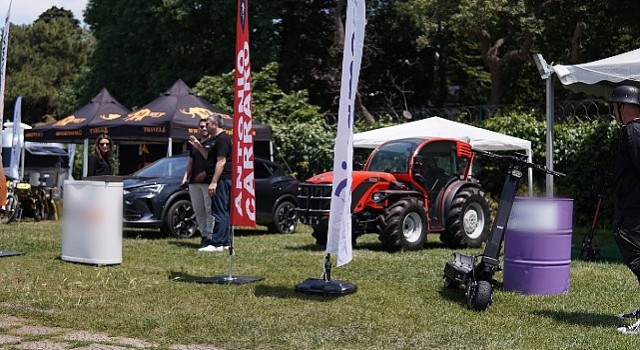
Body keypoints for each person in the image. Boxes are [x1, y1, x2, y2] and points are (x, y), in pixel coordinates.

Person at [609, 85, 640, 334]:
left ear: (623, 106)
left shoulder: (634, 130)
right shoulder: (632, 131)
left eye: (614, 106)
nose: (611, 111)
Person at [198, 114, 232, 252]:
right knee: (220, 210)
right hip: (220, 179)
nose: (206, 127)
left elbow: (221, 161)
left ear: (215, 124)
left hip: (222, 179)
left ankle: (217, 243)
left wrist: (214, 182)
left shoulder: (223, 139)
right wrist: (198, 147)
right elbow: (209, 157)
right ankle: (224, 242)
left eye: (208, 124)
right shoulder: (215, 139)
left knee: (219, 211)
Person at [181, 119, 214, 247]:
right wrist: (185, 178)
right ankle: (204, 235)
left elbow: (215, 162)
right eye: (201, 127)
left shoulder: (214, 143)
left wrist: (206, 173)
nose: (204, 129)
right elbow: (190, 163)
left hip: (208, 182)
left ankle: (210, 237)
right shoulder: (195, 143)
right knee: (199, 210)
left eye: (206, 126)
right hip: (194, 182)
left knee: (209, 209)